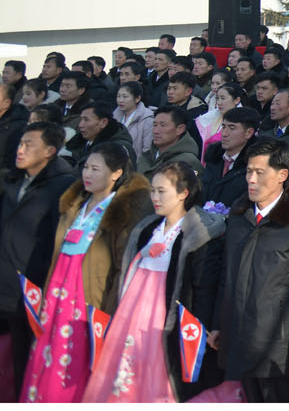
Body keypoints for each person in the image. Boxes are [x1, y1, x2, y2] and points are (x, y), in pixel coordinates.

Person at [81, 162, 226, 401]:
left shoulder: (197, 233)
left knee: (157, 375)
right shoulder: (147, 227)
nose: (155, 197)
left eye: (162, 191)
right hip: (132, 312)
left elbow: (203, 288)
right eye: (153, 191)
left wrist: (203, 326)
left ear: (183, 193)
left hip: (164, 316)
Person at [22, 142, 152, 402]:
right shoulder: (76, 204)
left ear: (116, 174)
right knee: (47, 351)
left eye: (95, 169)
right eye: (85, 167)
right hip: (58, 288)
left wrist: (111, 307)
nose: (87, 174)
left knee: (77, 358)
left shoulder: (120, 210)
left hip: (87, 295)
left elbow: (119, 266)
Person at [211, 136, 289, 402]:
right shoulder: (240, 214)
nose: (251, 179)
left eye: (260, 173)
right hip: (239, 337)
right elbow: (226, 275)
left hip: (280, 348)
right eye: (249, 172)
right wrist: (219, 324)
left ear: (282, 175)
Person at [0, 122, 78, 400]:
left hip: (31, 290)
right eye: (20, 144)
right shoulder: (11, 179)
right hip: (3, 281)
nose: (20, 150)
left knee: (25, 362)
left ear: (50, 151)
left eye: (28, 145)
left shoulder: (65, 186)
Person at [137, 104, 203, 175]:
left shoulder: (188, 162)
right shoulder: (145, 158)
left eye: (163, 125)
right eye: (155, 125)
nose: (155, 131)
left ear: (179, 129)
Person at [113, 81, 156, 157]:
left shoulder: (147, 118)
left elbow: (147, 149)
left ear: (137, 98)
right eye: (118, 96)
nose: (120, 100)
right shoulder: (115, 116)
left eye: (125, 96)